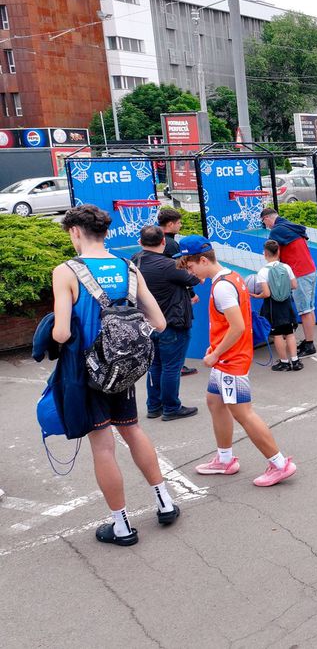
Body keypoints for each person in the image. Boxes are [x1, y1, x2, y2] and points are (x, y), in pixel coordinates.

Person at [50, 206, 177, 546]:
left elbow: (62, 333)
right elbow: (159, 323)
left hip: (87, 372)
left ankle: (122, 525)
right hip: (124, 370)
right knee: (132, 430)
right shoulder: (128, 267)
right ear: (104, 232)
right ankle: (165, 502)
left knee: (103, 445)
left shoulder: (65, 271)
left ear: (75, 231)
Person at [177, 235, 298, 487]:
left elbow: (238, 327)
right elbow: (230, 325)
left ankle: (279, 464)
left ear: (203, 260)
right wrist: (216, 347)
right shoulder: (231, 277)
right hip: (227, 357)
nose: (190, 272)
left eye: (190, 266)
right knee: (214, 401)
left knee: (243, 413)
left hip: (230, 360)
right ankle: (225, 459)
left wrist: (215, 353)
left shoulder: (222, 286)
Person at [132, 226, 200, 421]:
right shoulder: (168, 265)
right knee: (171, 367)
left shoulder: (133, 262)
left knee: (155, 366)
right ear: (163, 241)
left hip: (147, 323)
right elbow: (195, 278)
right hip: (172, 322)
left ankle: (154, 406)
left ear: (140, 242)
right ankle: (171, 407)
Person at [262, 208, 317, 357]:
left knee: (304, 311)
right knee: (309, 308)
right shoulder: (289, 225)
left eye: (264, 222)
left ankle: (310, 345)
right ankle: (309, 340)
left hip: (300, 273)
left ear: (267, 218)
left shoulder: (276, 231)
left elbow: (273, 253)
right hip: (310, 270)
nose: (265, 226)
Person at [157, 207, 198, 375]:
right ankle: (177, 366)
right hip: (174, 295)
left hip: (159, 294)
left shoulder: (158, 241)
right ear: (170, 224)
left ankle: (168, 365)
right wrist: (192, 293)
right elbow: (180, 271)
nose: (180, 225)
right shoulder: (171, 244)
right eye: (179, 223)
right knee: (178, 331)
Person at [251, 240, 302, 372]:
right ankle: (295, 361)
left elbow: (266, 293)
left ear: (265, 254)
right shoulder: (286, 267)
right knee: (289, 333)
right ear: (278, 252)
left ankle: (284, 363)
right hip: (286, 304)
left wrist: (256, 296)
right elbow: (294, 285)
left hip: (272, 307)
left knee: (278, 335)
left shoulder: (263, 272)